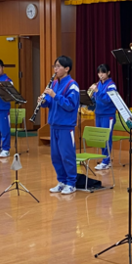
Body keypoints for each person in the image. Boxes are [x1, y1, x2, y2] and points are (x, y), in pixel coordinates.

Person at [43, 56, 80, 195]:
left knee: (67, 155)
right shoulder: (54, 83)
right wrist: (43, 101)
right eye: (55, 66)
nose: (55, 69)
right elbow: (50, 102)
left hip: (66, 126)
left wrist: (55, 95)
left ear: (67, 69)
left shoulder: (72, 85)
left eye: (58, 66)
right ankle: (62, 181)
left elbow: (70, 105)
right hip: (54, 125)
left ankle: (71, 183)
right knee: (56, 156)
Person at [91, 64, 118, 171]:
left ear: (108, 73)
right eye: (99, 72)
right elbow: (96, 98)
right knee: (101, 138)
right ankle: (105, 159)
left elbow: (108, 100)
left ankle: (106, 161)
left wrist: (97, 92)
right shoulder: (98, 84)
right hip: (98, 114)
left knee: (106, 137)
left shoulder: (111, 85)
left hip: (108, 115)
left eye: (103, 72)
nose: (100, 75)